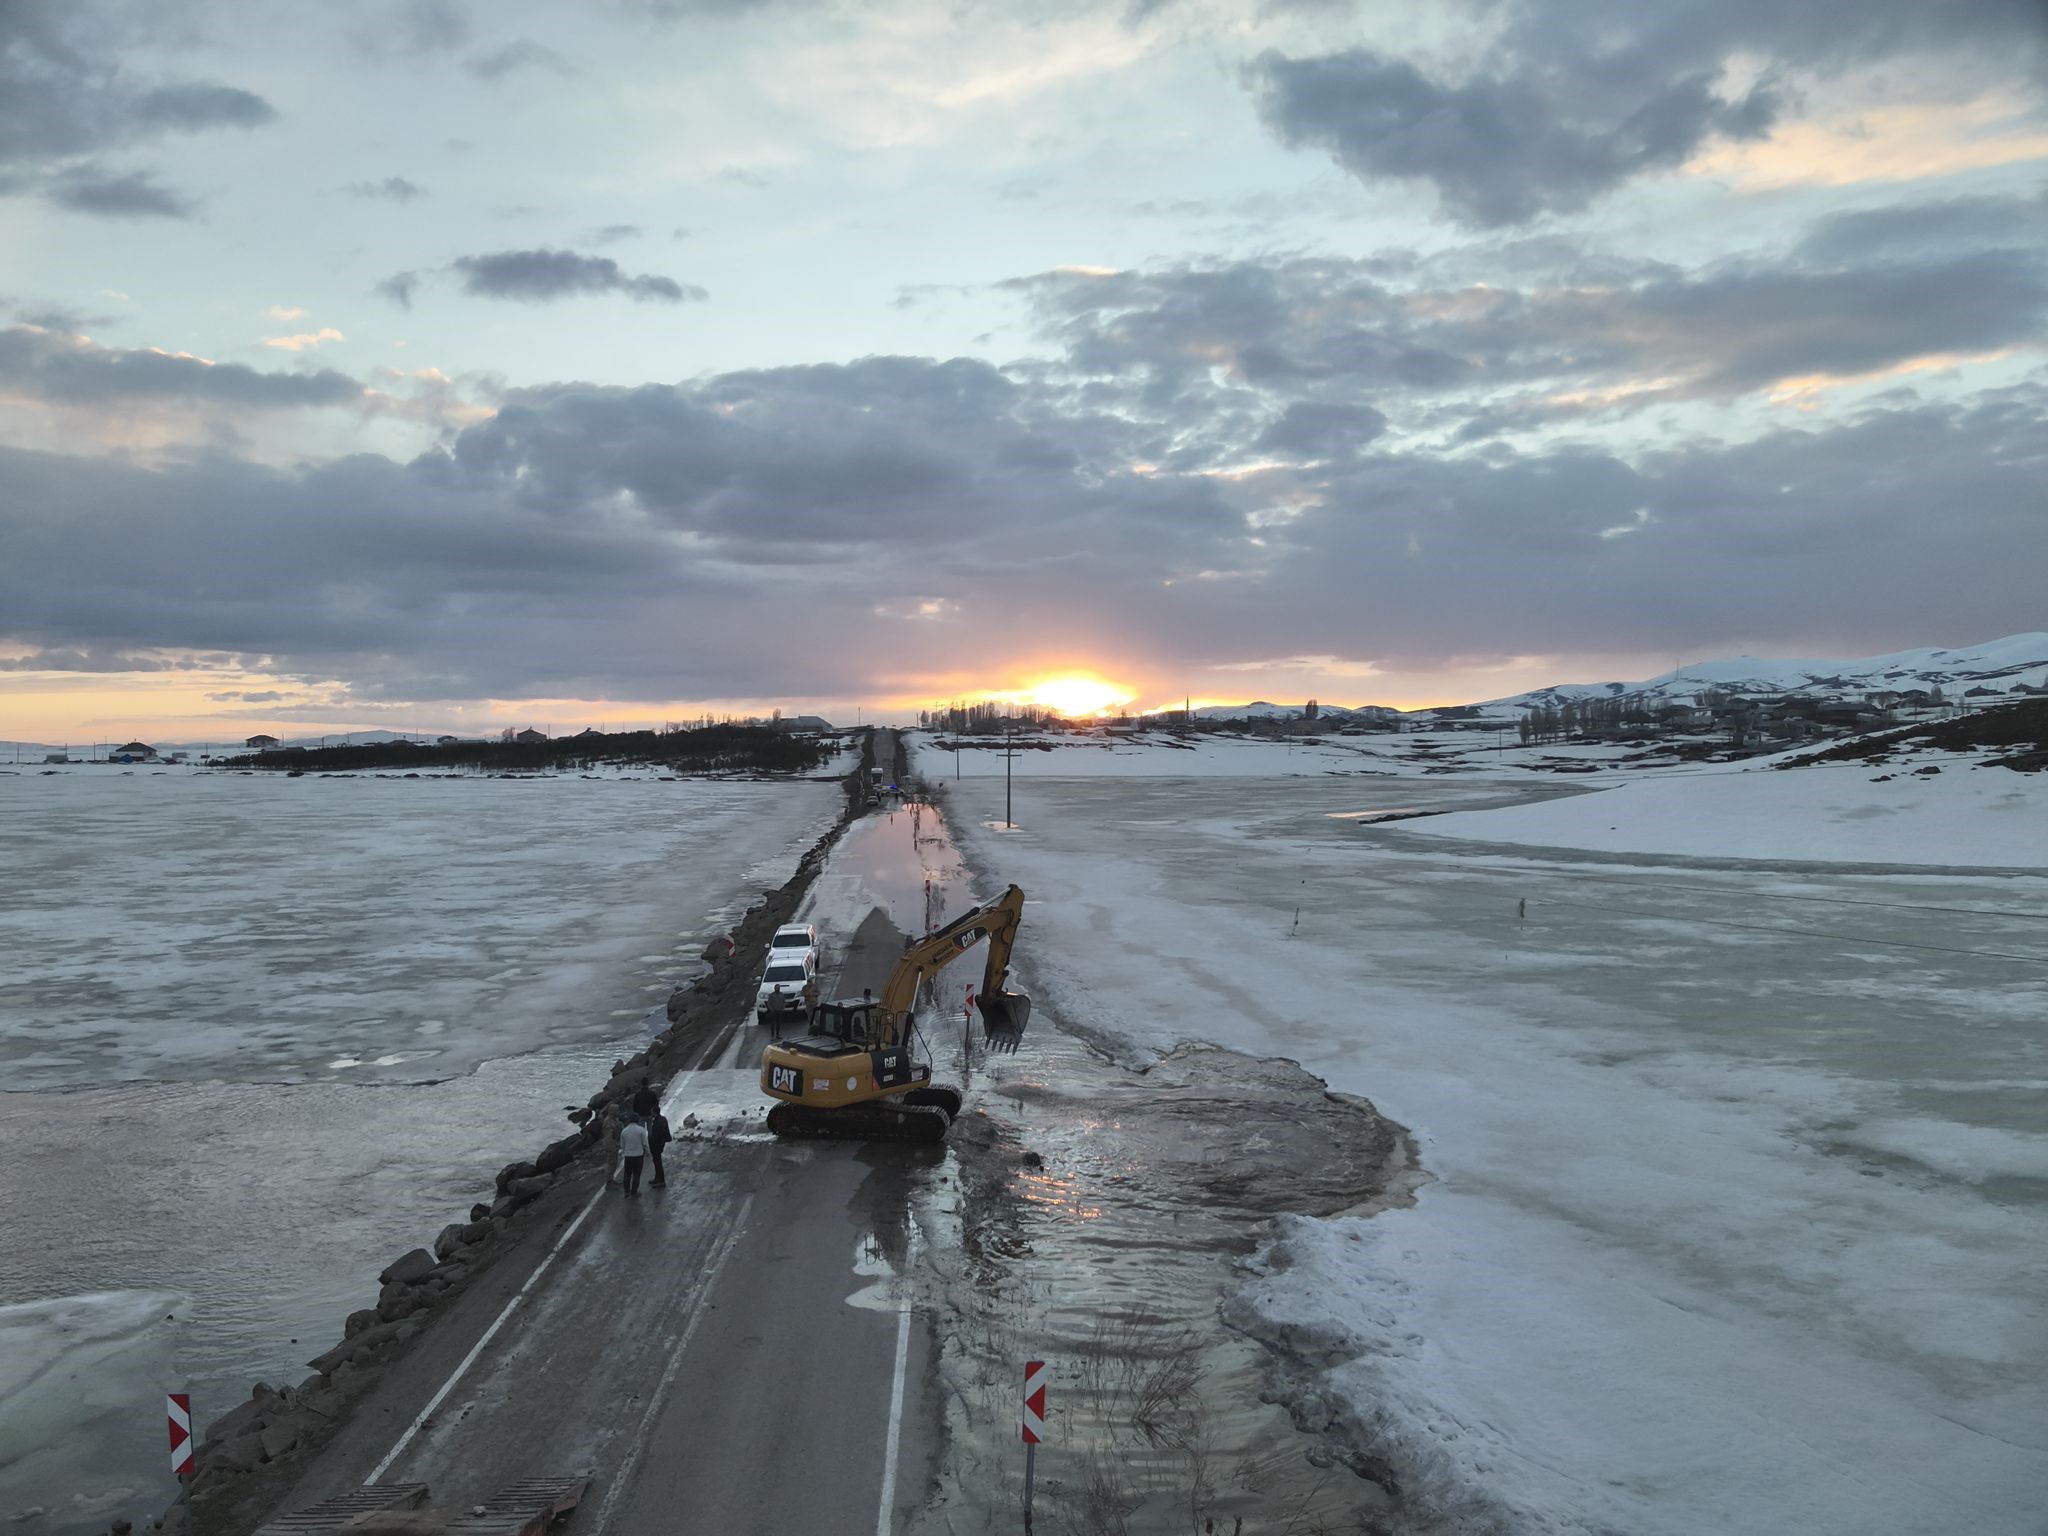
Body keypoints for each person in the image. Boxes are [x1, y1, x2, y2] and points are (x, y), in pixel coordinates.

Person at [617, 1115, 649, 1196]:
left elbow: (622, 1145)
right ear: (637, 1120)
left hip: (628, 1156)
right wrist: (647, 1152)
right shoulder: (641, 1130)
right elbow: (645, 1143)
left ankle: (626, 1191)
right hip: (638, 1155)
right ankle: (634, 1191)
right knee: (636, 1174)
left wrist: (624, 1152)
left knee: (627, 1174)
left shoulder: (624, 1131)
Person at [598, 1100, 623, 1185]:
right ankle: (609, 1182)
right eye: (618, 1110)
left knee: (614, 1163)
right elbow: (608, 1138)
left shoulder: (614, 1120)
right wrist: (613, 1147)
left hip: (614, 1144)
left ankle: (611, 1179)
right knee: (611, 1164)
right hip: (611, 1146)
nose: (619, 1112)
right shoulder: (609, 1122)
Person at [648, 1110, 672, 1188]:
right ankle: (657, 1178)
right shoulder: (662, 1119)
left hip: (657, 1144)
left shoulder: (658, 1122)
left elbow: (656, 1134)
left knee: (657, 1162)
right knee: (657, 1161)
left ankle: (661, 1180)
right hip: (660, 1143)